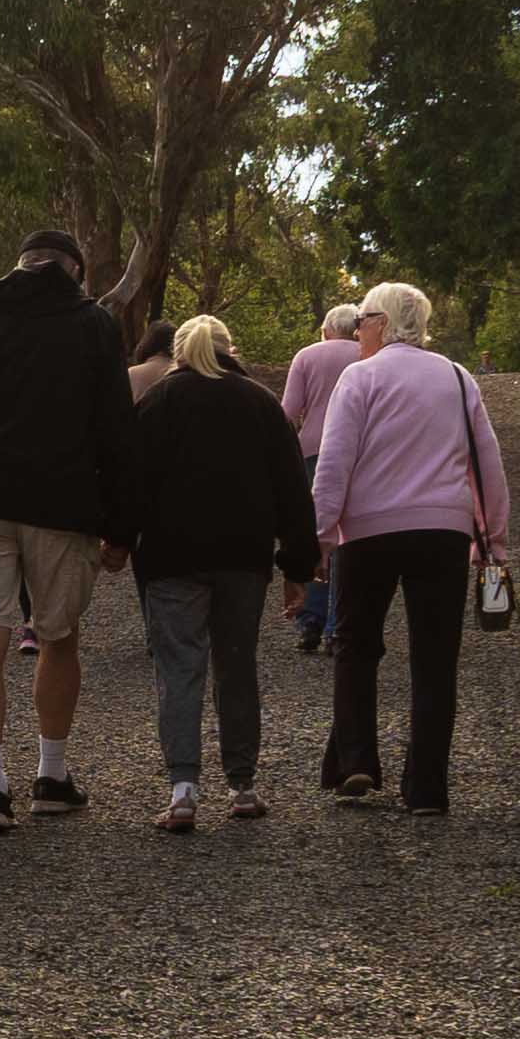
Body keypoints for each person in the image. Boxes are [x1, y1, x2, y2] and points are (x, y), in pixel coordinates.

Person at [0, 226, 139, 831]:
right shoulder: (93, 326)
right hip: (64, 507)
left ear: (22, 264)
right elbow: (116, 429)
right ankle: (50, 773)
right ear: (73, 269)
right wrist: (122, 526)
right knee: (57, 636)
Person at [313, 281, 516, 814]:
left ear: (383, 321)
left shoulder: (359, 378)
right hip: (442, 533)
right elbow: (485, 461)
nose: (357, 329)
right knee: (434, 658)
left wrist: (320, 535)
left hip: (368, 533)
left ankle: (357, 760)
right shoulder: (456, 376)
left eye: (362, 319)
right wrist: (491, 538)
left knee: (356, 645)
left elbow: (334, 463)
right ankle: (426, 788)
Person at [125, 316, 321, 830]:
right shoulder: (261, 404)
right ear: (230, 349)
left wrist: (118, 542)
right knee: (237, 667)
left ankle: (183, 790)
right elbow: (293, 492)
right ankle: (243, 785)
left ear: (180, 351)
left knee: (179, 668)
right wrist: (296, 567)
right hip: (243, 561)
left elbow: (132, 482)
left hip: (170, 561)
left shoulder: (158, 404)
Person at [278, 304, 367, 651]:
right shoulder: (367, 355)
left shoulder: (306, 356)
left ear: (327, 329)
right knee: (348, 535)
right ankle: (337, 623)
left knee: (315, 532)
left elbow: (288, 411)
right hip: (358, 452)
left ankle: (310, 620)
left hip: (313, 450)